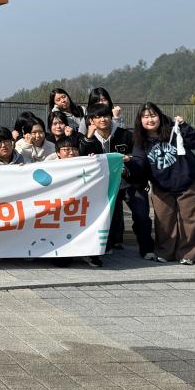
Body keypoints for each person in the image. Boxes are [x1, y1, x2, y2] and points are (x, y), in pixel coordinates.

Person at [131, 102, 195, 265]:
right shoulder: (140, 140)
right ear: (140, 120)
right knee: (164, 221)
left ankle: (188, 253)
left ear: (160, 116)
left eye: (153, 115)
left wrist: (184, 126)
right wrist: (129, 163)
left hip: (188, 181)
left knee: (190, 219)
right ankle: (165, 251)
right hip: (161, 185)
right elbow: (139, 163)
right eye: (145, 117)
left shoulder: (174, 129)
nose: (150, 120)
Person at [78, 103, 140, 254]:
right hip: (104, 183)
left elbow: (138, 155)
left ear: (111, 117)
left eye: (106, 116)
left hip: (127, 181)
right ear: (91, 120)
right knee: (112, 211)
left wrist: (129, 159)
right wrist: (88, 137)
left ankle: (144, 246)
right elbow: (81, 158)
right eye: (98, 116)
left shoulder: (125, 134)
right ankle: (112, 242)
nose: (102, 119)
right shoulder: (88, 137)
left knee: (140, 214)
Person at [53, 135, 102, 268]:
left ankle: (88, 253)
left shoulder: (85, 164)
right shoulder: (49, 166)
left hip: (81, 208)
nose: (71, 152)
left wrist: (94, 162)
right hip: (59, 209)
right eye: (66, 149)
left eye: (74, 149)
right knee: (62, 262)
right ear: (58, 153)